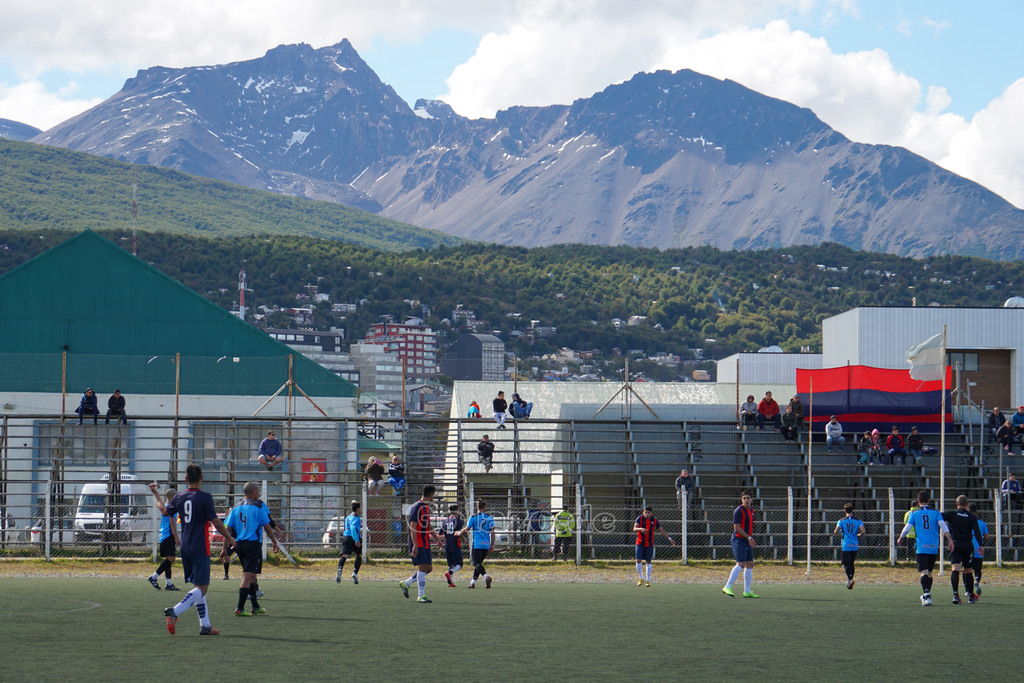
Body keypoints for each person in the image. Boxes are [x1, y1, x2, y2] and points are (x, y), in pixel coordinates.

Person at [150, 464, 236, 636]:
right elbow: (216, 522)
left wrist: (156, 494)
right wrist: (229, 538)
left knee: (198, 587)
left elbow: (164, 511)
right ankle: (175, 611)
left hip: (185, 547)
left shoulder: (179, 497)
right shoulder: (205, 497)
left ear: (185, 479)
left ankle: (205, 626)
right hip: (200, 547)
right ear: (202, 477)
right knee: (202, 588)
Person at [223, 482, 280, 616]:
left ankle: (255, 606)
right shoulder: (258, 508)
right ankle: (240, 608)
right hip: (252, 545)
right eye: (258, 491)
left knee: (252, 576)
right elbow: (267, 527)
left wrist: (224, 548)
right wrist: (275, 542)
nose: (259, 494)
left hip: (239, 545)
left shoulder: (236, 508)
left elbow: (227, 529)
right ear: (253, 492)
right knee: (247, 576)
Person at [897, 490, 952, 606]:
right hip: (933, 547)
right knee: (930, 572)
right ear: (929, 500)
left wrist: (901, 537)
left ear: (918, 501)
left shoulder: (914, 513)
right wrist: (950, 539)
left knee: (924, 571)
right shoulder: (936, 513)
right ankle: (926, 593)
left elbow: (907, 527)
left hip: (921, 547)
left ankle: (927, 595)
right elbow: (943, 526)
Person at [399, 485, 441, 603]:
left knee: (428, 568)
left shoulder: (426, 507)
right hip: (418, 541)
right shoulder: (417, 507)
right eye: (434, 494)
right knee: (422, 567)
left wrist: (437, 539)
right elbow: (412, 527)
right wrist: (415, 545)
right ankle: (421, 596)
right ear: (431, 494)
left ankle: (406, 583)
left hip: (425, 541)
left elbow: (428, 526)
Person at [941, 495, 984, 604]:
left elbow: (938, 517)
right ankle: (971, 596)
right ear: (967, 504)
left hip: (955, 544)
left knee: (955, 568)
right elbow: (977, 532)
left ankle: (955, 595)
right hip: (967, 545)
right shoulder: (971, 516)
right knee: (968, 569)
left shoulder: (952, 514)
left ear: (957, 504)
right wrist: (980, 545)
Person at [722, 491, 758, 598]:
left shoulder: (752, 511)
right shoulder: (739, 511)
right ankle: (727, 586)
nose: (746, 500)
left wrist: (749, 538)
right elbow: (737, 528)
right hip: (738, 540)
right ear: (741, 500)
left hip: (747, 540)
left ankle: (747, 591)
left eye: (748, 498)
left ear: (751, 500)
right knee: (741, 564)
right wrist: (749, 538)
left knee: (750, 564)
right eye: (744, 498)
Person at [147, 488, 181, 591]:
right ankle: (154, 577)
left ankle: (169, 583)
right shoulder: (172, 507)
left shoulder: (165, 506)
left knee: (169, 560)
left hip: (163, 535)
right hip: (168, 535)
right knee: (171, 559)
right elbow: (172, 522)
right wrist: (176, 537)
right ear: (173, 497)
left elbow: (159, 503)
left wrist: (155, 492)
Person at [633, 505, 675, 586]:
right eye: (645, 512)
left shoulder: (654, 520)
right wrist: (641, 529)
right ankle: (640, 578)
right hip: (640, 542)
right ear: (643, 512)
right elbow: (634, 528)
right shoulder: (639, 518)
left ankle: (648, 580)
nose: (647, 514)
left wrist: (670, 538)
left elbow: (661, 530)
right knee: (638, 560)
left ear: (651, 513)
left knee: (648, 561)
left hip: (649, 543)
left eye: (648, 513)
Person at [463, 499, 496, 589]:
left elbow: (466, 529)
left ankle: (486, 577)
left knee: (476, 563)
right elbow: (493, 533)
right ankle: (472, 582)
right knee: (479, 564)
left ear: (476, 507)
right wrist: (492, 545)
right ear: (485, 507)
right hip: (486, 544)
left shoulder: (473, 517)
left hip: (477, 544)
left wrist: (459, 533)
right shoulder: (490, 518)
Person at [833, 503, 865, 589]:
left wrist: (839, 531)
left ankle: (850, 579)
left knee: (846, 564)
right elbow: (863, 531)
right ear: (853, 511)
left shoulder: (841, 521)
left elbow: (835, 532)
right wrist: (859, 535)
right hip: (854, 545)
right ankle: (850, 580)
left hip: (846, 545)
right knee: (851, 563)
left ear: (844, 511)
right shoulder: (858, 520)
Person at [335, 500, 362, 585]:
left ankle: (340, 569)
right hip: (354, 538)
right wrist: (356, 540)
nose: (361, 509)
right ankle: (355, 573)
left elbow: (349, 526)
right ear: (357, 509)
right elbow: (353, 528)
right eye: (360, 508)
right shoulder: (357, 518)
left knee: (345, 555)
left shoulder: (348, 517)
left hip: (346, 537)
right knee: (359, 555)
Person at [439, 504, 465, 587]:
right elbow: (458, 533)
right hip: (455, 544)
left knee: (451, 564)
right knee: (459, 564)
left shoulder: (445, 521)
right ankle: (449, 573)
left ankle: (450, 583)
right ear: (457, 511)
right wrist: (464, 539)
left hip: (447, 544)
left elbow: (440, 532)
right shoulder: (459, 521)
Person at [968, 503, 989, 596]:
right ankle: (976, 579)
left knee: (967, 569)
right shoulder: (982, 522)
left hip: (968, 547)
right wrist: (982, 540)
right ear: (976, 511)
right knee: (978, 569)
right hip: (978, 548)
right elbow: (986, 536)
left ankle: (967, 589)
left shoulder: (966, 521)